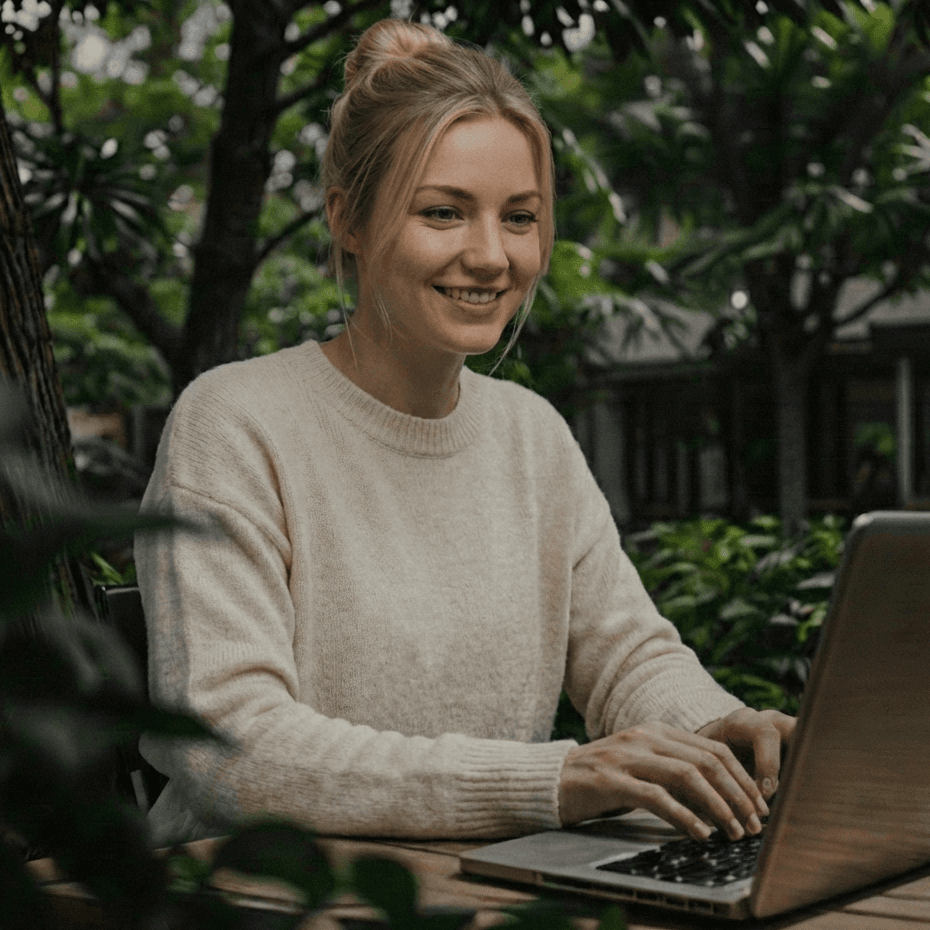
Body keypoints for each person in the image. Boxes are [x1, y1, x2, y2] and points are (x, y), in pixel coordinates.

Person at [136, 18, 794, 848]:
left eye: (519, 218)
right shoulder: (233, 423)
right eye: (444, 212)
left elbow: (627, 656)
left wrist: (726, 730)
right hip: (246, 897)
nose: (490, 255)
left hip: (475, 883)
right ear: (349, 220)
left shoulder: (533, 436)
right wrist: (552, 780)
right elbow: (233, 747)